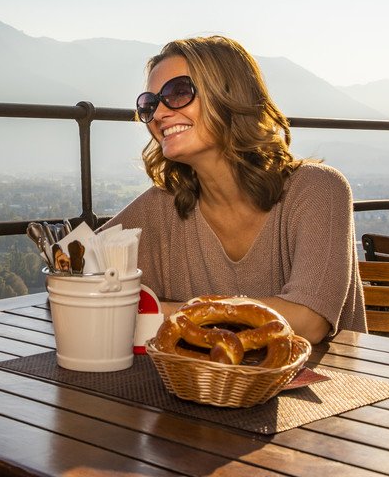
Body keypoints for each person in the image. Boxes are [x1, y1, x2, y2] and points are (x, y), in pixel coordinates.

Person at [103, 36, 366, 343]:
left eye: (178, 93)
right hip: (198, 388)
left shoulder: (318, 189)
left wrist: (169, 314)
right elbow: (74, 277)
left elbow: (308, 321)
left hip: (333, 386)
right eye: (150, 104)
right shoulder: (160, 205)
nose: (159, 114)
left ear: (229, 94)